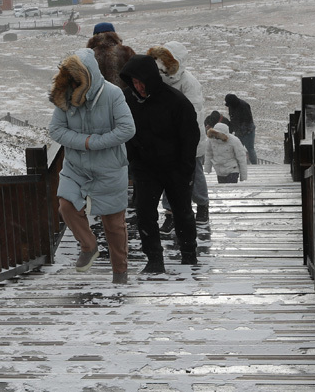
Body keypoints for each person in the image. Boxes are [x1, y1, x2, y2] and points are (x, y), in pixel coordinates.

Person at [48, 48, 136, 283]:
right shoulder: (65, 95)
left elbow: (128, 129)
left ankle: (120, 272)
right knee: (66, 206)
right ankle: (88, 247)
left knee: (114, 224)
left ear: (89, 76)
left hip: (109, 168)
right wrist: (83, 142)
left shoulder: (112, 94)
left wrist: (94, 143)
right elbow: (55, 130)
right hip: (76, 167)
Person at [119, 54, 200, 273]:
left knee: (182, 212)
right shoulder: (127, 100)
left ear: (151, 78)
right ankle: (154, 258)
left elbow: (190, 137)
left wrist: (186, 170)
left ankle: (189, 254)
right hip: (145, 168)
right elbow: (122, 130)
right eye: (133, 83)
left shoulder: (176, 101)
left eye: (141, 82)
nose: (138, 87)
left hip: (175, 168)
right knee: (145, 213)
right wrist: (130, 158)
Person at [147, 42, 211, 230]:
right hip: (166, 139)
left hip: (190, 140)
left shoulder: (189, 82)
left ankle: (202, 205)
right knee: (169, 176)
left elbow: (193, 113)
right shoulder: (158, 79)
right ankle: (170, 213)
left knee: (195, 175)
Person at [86, 21, 134, 90]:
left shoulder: (88, 57)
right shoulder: (126, 51)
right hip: (124, 98)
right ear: (114, 34)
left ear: (94, 37)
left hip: (98, 99)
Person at [225, 93, 258, 168]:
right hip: (239, 131)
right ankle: (238, 165)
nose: (228, 106)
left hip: (248, 131)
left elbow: (248, 120)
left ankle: (255, 166)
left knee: (250, 148)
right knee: (237, 149)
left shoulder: (244, 105)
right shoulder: (231, 106)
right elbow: (233, 119)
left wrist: (240, 130)